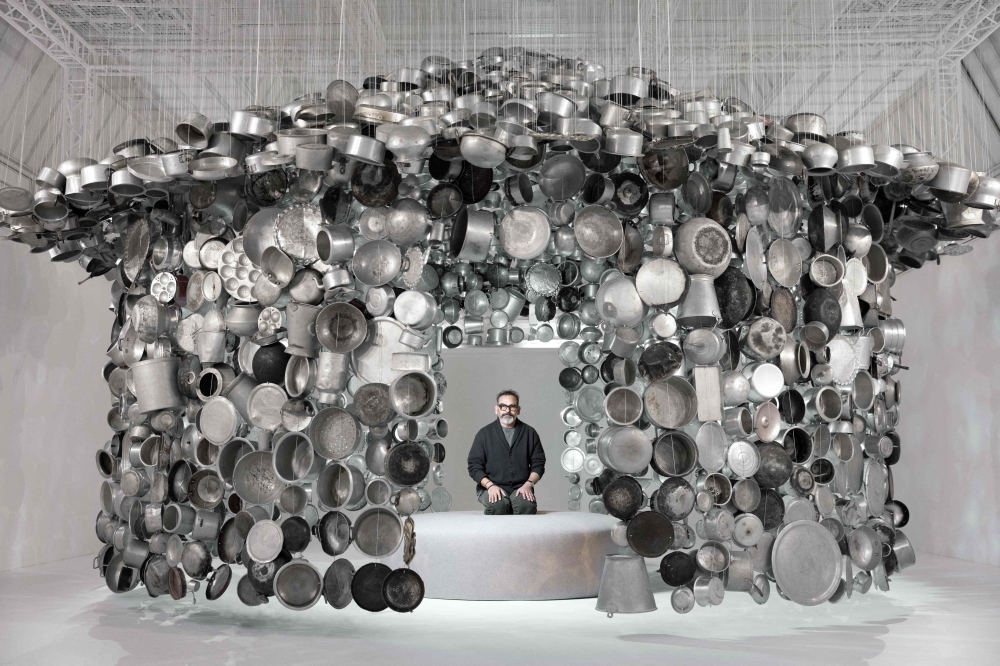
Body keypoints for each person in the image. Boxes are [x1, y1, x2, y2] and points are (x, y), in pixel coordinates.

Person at [467, 389, 546, 515]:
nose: (507, 411)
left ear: (518, 410)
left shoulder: (530, 433)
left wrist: (528, 484)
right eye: (503, 406)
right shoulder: (484, 434)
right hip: (490, 486)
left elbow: (538, 464)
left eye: (512, 407)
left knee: (526, 507)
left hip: (521, 487)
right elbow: (474, 466)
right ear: (497, 409)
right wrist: (490, 486)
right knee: (498, 507)